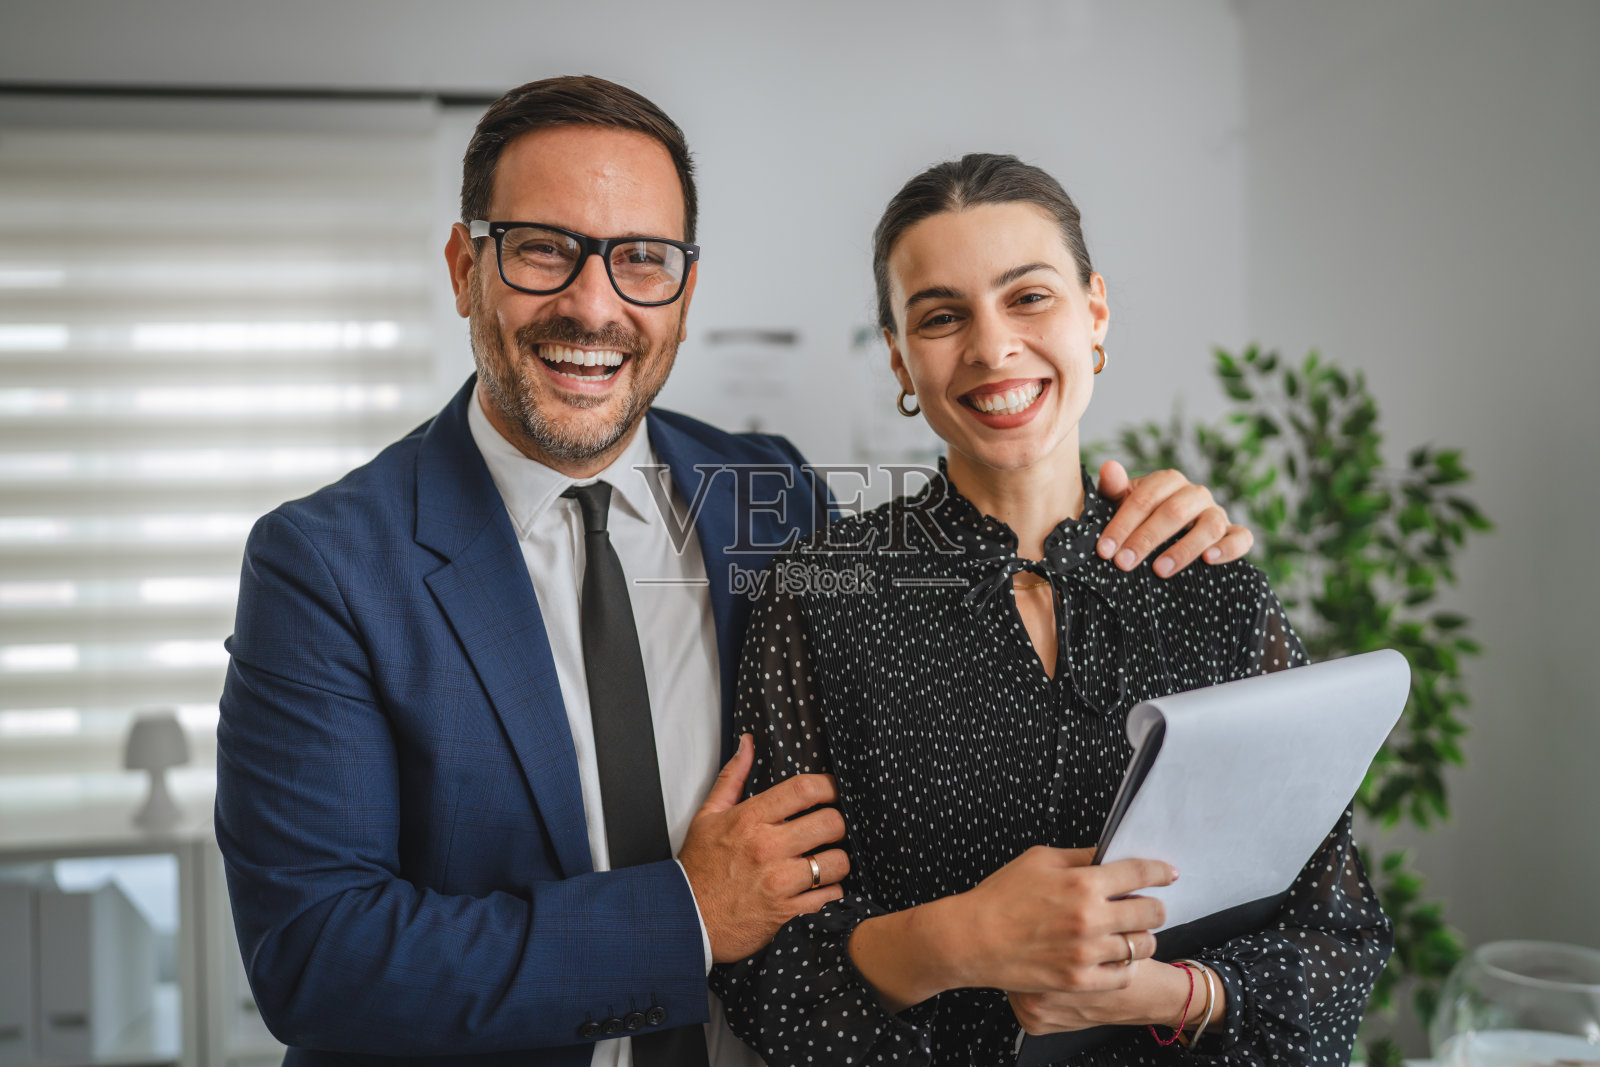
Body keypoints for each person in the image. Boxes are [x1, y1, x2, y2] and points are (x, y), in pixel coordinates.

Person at [215, 77, 1254, 1067]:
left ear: (684, 286)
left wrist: (1157, 519)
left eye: (642, 259)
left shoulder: (774, 498)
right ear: (463, 267)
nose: (593, 303)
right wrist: (686, 914)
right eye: (541, 251)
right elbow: (317, 954)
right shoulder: (327, 562)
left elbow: (969, 624)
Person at [710, 153, 1394, 1066]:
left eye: (1027, 296)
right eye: (942, 316)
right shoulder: (819, 594)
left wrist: (1156, 991)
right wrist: (959, 939)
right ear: (899, 356)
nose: (992, 347)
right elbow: (767, 977)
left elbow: (1337, 938)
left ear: (1094, 312)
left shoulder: (1210, 575)